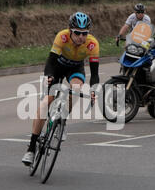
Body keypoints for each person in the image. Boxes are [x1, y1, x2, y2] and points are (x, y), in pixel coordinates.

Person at [22, 12, 100, 166]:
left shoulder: (92, 44)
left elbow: (95, 74)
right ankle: (31, 149)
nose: (81, 37)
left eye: (84, 33)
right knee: (45, 104)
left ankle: (62, 120)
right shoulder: (62, 37)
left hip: (75, 69)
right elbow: (50, 62)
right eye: (77, 33)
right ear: (70, 31)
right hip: (57, 67)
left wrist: (93, 91)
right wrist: (49, 76)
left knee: (76, 88)